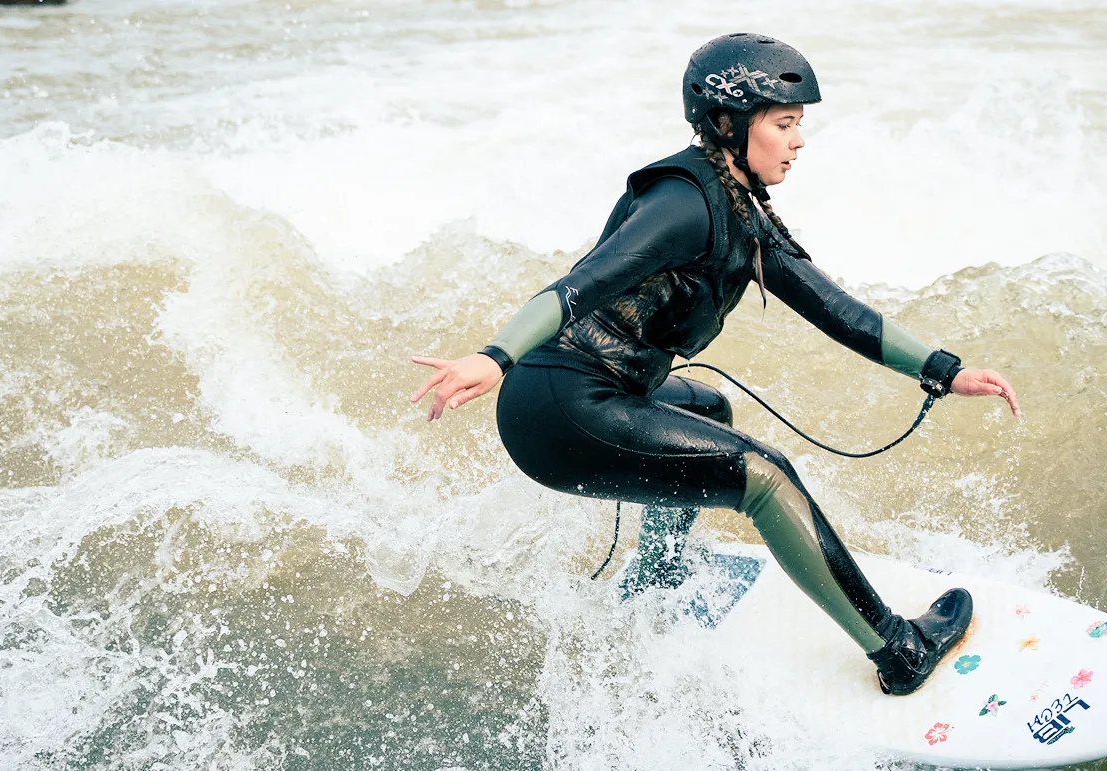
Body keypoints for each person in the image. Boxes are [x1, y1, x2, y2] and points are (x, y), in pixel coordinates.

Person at [409, 33, 1022, 696]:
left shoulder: (740, 209)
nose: (798, 142)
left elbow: (835, 308)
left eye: (799, 127)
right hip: (559, 406)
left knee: (710, 408)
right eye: (785, 125)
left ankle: (656, 578)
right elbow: (578, 285)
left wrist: (944, 370)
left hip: (605, 388)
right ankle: (899, 650)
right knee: (764, 476)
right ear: (730, 125)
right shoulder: (681, 205)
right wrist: (496, 355)